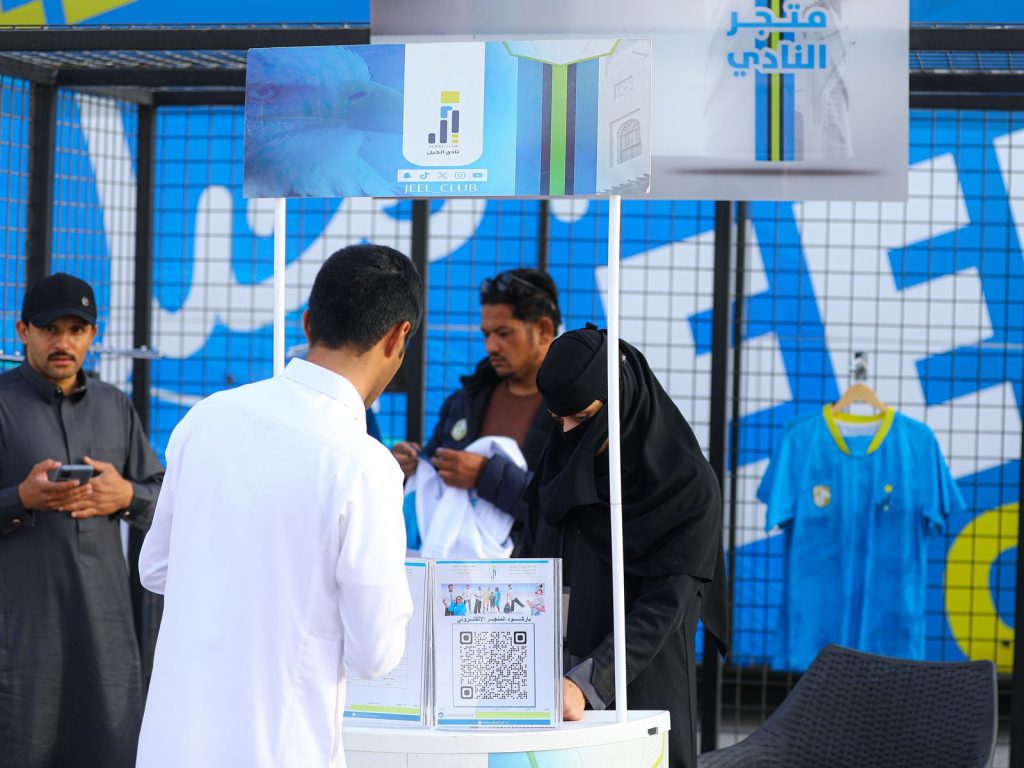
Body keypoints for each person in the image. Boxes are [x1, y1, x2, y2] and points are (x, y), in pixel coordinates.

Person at [136, 244, 422, 768]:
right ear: (398, 337)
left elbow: (155, 568)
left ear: (309, 322)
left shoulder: (206, 418)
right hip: (281, 749)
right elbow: (376, 652)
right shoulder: (366, 467)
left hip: (171, 746)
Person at [524, 326, 728, 768]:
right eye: (558, 421)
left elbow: (664, 607)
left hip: (639, 697)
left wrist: (588, 682)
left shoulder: (687, 487)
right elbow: (527, 565)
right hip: (550, 702)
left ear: (621, 400)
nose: (569, 433)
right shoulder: (559, 465)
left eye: (583, 417)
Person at [0, 273, 165, 768]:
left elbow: (165, 501)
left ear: (94, 334)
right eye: (50, 329)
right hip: (20, 639)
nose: (64, 342)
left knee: (109, 748)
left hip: (104, 638)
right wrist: (21, 498)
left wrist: (125, 495)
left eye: (76, 329)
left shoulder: (115, 406)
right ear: (22, 331)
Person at [391, 269, 560, 547]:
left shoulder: (576, 411)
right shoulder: (463, 402)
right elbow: (432, 477)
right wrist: (405, 468)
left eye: (503, 333)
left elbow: (569, 509)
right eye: (487, 334)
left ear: (544, 330)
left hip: (538, 570)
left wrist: (485, 475)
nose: (491, 346)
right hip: (456, 567)